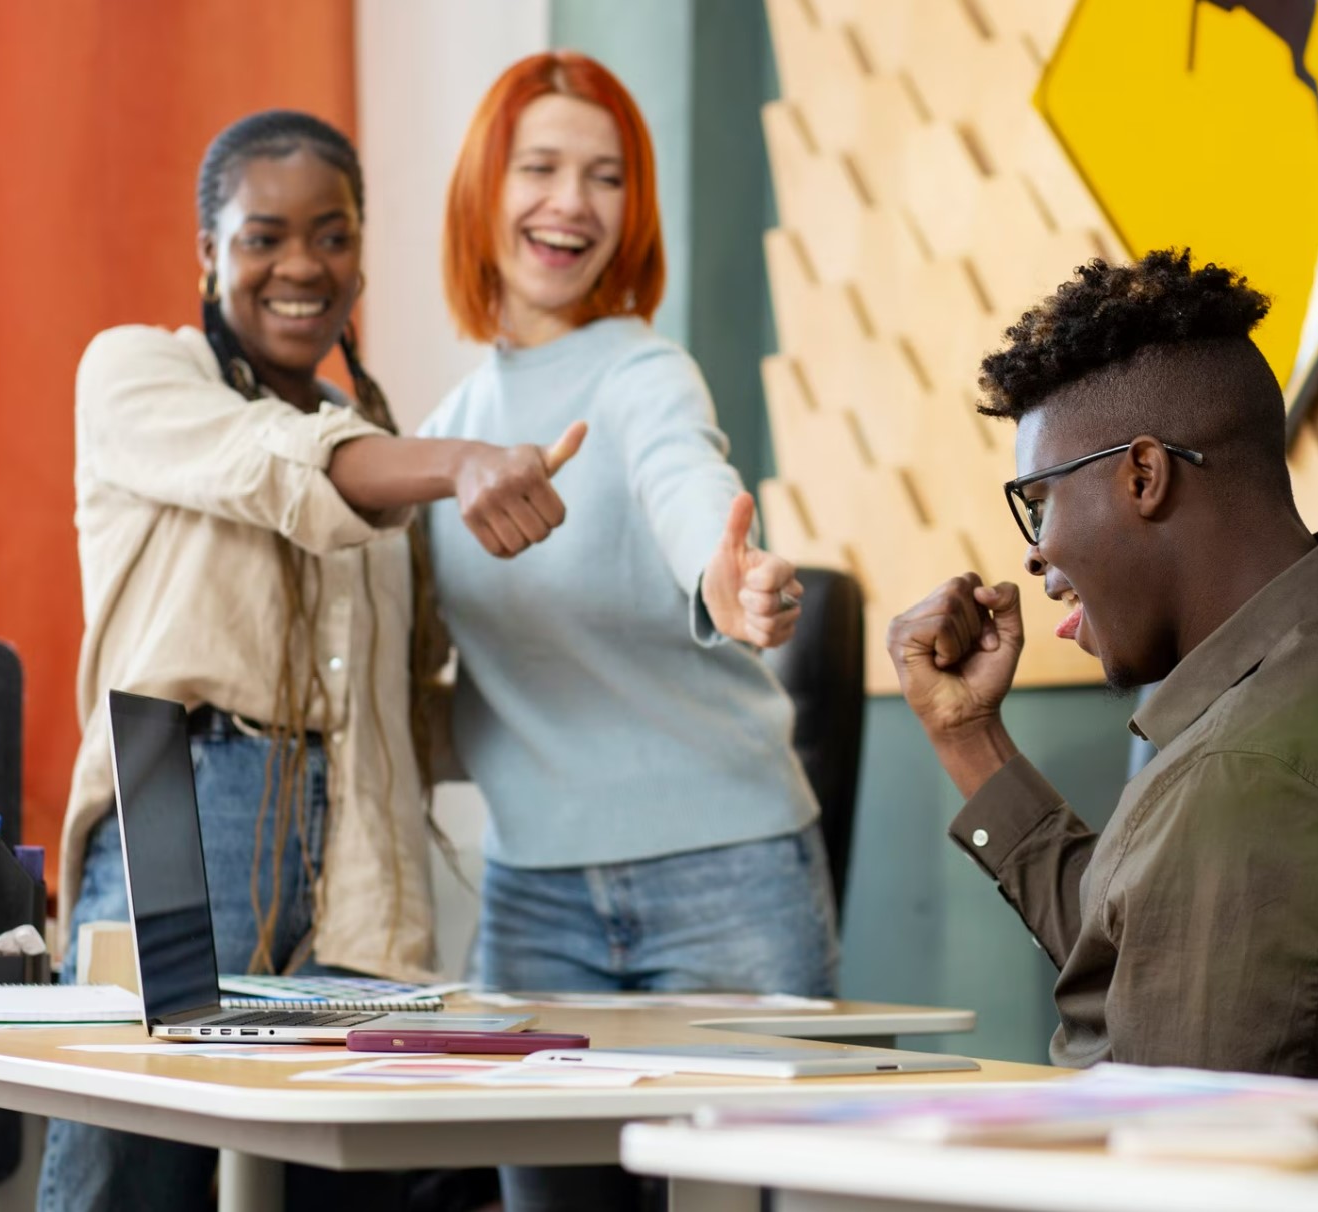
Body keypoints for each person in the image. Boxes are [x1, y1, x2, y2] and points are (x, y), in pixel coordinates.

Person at [41, 109, 578, 1212]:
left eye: (333, 236)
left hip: (363, 856)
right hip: (187, 808)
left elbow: (404, 697)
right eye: (264, 237)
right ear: (209, 251)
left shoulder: (375, 439)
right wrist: (459, 463)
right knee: (129, 1181)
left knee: (339, 1181)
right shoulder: (138, 374)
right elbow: (270, 463)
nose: (302, 266)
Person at [886, 248, 1318, 1079]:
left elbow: (1180, 1131)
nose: (1035, 556)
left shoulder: (1246, 774)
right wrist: (968, 737)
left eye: (1041, 503)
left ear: (1144, 475)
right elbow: (1152, 944)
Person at [419, 52, 839, 1210]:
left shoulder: (646, 373)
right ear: (483, 186)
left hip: (726, 883)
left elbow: (684, 483)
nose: (572, 203)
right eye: (540, 167)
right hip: (531, 901)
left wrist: (727, 579)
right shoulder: (446, 432)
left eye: (605, 177)